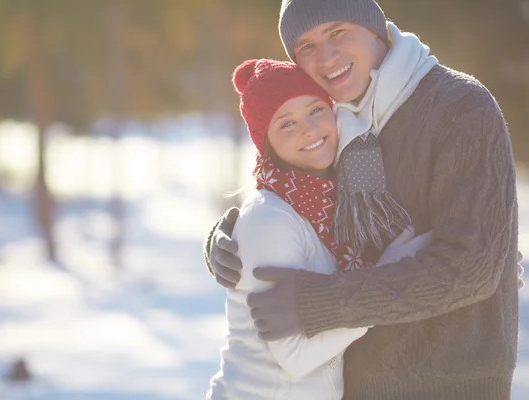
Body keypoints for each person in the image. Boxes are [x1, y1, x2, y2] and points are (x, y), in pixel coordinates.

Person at [204, 0, 520, 398]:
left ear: (374, 28)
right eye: (306, 46)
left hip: (447, 384)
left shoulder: (459, 107)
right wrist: (230, 241)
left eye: (338, 32)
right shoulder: (337, 121)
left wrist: (328, 303)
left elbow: (471, 268)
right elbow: (298, 203)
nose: (326, 56)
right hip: (356, 384)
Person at [207, 58, 430, 400]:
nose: (309, 129)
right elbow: (297, 356)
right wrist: (385, 278)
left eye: (315, 110)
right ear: (266, 143)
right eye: (287, 124)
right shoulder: (271, 220)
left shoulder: (339, 203)